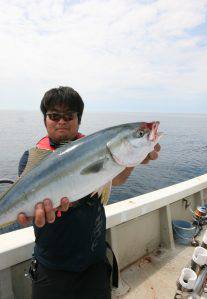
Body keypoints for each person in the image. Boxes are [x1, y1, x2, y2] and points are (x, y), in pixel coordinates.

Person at [16, 86, 160, 299]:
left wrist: (134, 158)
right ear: (45, 119)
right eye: (54, 116)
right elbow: (25, 207)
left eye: (69, 115)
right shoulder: (32, 159)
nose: (61, 121)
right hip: (51, 265)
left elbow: (115, 178)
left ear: (78, 119)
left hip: (94, 261)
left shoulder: (95, 148)